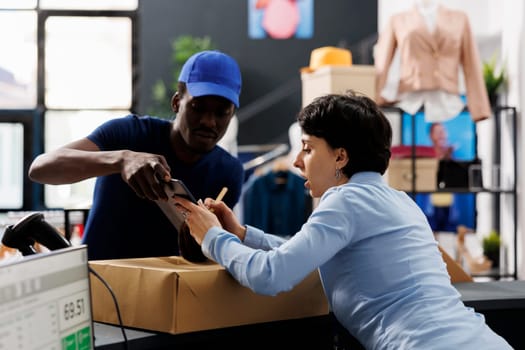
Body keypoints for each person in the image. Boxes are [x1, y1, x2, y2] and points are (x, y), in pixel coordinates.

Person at [173, 91, 511, 349]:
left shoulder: (344, 199)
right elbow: (317, 253)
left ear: (340, 155)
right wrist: (242, 234)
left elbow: (270, 275)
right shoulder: (396, 200)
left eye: (306, 148)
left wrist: (212, 237)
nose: (296, 162)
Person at [28, 50, 245, 261]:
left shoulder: (229, 173)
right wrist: (120, 160)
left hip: (171, 291)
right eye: (197, 107)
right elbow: (40, 168)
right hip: (100, 285)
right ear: (177, 102)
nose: (208, 121)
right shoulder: (129, 133)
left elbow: (215, 254)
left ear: (232, 113)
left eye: (221, 112)